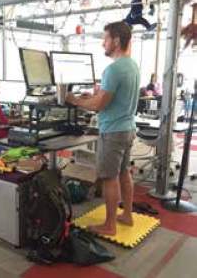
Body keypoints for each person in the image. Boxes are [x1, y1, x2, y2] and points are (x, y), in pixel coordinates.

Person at [66, 21, 140, 236]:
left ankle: (109, 225)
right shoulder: (131, 65)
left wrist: (75, 100)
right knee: (124, 172)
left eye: (105, 39)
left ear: (116, 41)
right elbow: (108, 98)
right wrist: (95, 96)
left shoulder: (113, 69)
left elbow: (99, 106)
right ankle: (126, 214)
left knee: (109, 177)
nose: (102, 44)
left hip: (114, 131)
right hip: (128, 128)